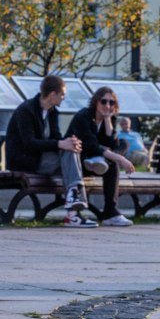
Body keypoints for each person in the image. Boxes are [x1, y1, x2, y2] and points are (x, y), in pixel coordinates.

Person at [3, 74, 96, 228]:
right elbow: (29, 143)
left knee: (71, 152)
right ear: (53, 94)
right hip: (25, 160)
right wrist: (62, 144)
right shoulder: (25, 111)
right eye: (62, 94)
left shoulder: (53, 112)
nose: (64, 98)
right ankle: (74, 210)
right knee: (70, 155)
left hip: (43, 159)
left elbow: (56, 138)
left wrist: (70, 143)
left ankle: (73, 210)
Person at [66, 88, 135, 227]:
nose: (107, 106)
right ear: (96, 101)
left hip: (97, 161)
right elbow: (90, 145)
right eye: (104, 101)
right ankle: (98, 161)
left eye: (112, 102)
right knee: (114, 160)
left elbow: (112, 144)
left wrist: (108, 119)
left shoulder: (109, 118)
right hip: (79, 161)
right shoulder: (83, 116)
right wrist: (121, 159)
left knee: (122, 146)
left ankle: (110, 213)